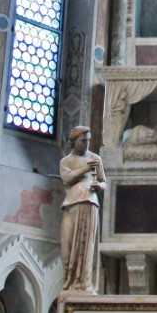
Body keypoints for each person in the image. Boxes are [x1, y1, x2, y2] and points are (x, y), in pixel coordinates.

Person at [59, 126, 105, 293]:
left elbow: (104, 182)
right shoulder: (66, 161)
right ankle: (69, 280)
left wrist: (99, 186)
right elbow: (67, 178)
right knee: (68, 245)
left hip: (90, 203)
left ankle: (84, 282)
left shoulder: (95, 158)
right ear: (73, 141)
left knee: (86, 246)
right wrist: (86, 168)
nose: (87, 143)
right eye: (83, 140)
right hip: (71, 204)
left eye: (88, 140)